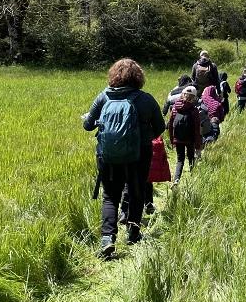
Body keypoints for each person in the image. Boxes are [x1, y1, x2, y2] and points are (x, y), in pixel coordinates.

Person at [83, 58, 165, 260]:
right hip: (139, 155)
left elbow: (87, 125)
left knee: (110, 196)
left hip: (108, 156)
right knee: (137, 193)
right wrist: (143, 136)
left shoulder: (103, 97)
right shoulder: (146, 99)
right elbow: (160, 128)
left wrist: (91, 119)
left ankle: (107, 239)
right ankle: (133, 234)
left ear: (114, 76)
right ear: (138, 77)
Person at [169, 86, 201, 186]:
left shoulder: (175, 108)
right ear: (194, 97)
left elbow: (170, 125)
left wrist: (172, 140)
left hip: (177, 139)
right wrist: (198, 145)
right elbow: (197, 129)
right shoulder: (194, 110)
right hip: (190, 139)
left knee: (180, 160)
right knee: (191, 158)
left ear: (182, 95)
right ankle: (193, 179)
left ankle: (176, 180)